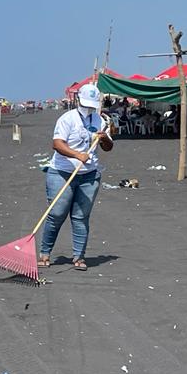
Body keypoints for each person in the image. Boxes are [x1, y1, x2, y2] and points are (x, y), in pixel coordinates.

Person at [38, 83, 114, 271]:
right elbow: (57, 144)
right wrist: (77, 155)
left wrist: (104, 138)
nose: (88, 107)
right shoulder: (67, 119)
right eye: (85, 103)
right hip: (62, 172)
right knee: (56, 214)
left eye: (91, 104)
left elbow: (108, 147)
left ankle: (79, 257)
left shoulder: (101, 121)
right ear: (78, 100)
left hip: (89, 175)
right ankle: (45, 253)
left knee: (81, 217)